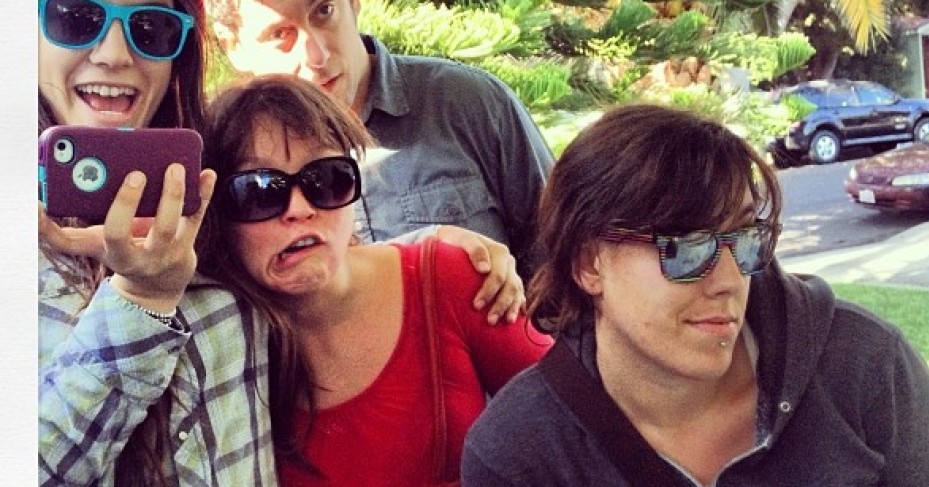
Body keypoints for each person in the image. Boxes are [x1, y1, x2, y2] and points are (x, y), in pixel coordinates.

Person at [37, 0, 526, 483]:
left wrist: (436, 253)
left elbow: (299, 252)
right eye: (74, 17)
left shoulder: (194, 192)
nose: (114, 53)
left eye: (152, 27)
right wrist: (141, 299)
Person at [461, 104, 929, 486]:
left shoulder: (862, 368)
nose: (730, 279)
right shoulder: (520, 454)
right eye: (687, 247)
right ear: (588, 264)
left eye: (744, 239)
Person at [196, 74, 552, 486]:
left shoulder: (449, 277)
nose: (300, 209)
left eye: (326, 179)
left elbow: (576, 415)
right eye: (259, 191)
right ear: (216, 216)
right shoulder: (216, 350)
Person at [205, 0, 554, 282]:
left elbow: (561, 258)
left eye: (324, 11)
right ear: (232, 45)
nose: (316, 56)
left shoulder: (469, 101)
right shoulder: (221, 146)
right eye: (280, 34)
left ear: (354, 5)